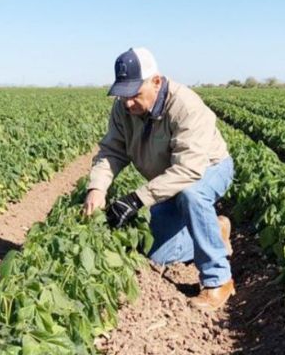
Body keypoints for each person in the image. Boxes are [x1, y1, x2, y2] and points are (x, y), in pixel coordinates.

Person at [83, 47, 235, 311]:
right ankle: (213, 229)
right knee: (157, 253)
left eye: (134, 94)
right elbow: (112, 151)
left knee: (191, 194)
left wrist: (136, 199)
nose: (128, 103)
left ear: (156, 81)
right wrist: (97, 188)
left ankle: (218, 279)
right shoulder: (123, 109)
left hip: (208, 169)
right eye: (123, 94)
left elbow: (188, 170)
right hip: (167, 179)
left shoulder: (185, 106)